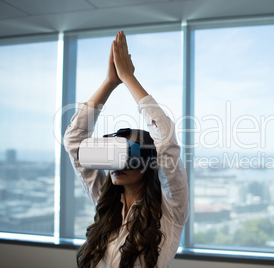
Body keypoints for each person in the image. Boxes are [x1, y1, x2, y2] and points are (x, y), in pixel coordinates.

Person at [63, 31, 189, 268]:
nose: (115, 164)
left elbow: (167, 141)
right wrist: (109, 83)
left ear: (149, 160)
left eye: (126, 154)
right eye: (112, 155)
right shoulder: (106, 200)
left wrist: (128, 78)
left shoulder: (171, 210)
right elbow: (74, 143)